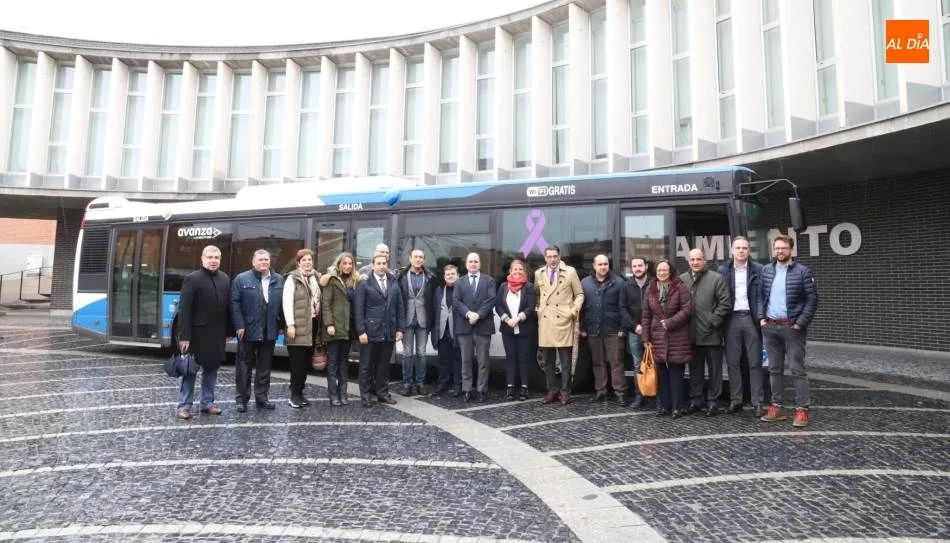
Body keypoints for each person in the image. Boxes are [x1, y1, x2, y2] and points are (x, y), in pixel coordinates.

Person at [757, 234, 819, 428]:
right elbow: (760, 296)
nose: (779, 252)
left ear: (791, 250)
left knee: (797, 369)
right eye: (776, 248)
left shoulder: (802, 271)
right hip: (770, 327)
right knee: (774, 369)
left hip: (792, 328)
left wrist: (800, 323)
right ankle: (776, 406)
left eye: (783, 248)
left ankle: (802, 410)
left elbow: (812, 300)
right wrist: (761, 319)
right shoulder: (766, 270)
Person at [175, 245, 231, 420]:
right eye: (210, 257)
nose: (213, 260)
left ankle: (208, 403)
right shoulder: (192, 279)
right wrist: (184, 336)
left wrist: (229, 330)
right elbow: (184, 309)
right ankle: (184, 406)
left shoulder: (225, 278)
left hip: (216, 334)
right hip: (196, 335)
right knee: (190, 371)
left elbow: (227, 307)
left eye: (216, 257)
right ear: (202, 259)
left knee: (212, 370)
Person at [230, 249, 284, 412]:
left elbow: (282, 304)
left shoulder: (279, 279)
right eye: (260, 259)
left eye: (266, 259)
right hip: (247, 330)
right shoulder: (241, 279)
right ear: (253, 262)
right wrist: (239, 325)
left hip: (269, 330)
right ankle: (242, 399)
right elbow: (234, 303)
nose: (264, 262)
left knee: (265, 366)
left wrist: (281, 325)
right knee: (244, 366)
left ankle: (262, 398)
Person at [718, 236, 765, 415]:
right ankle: (736, 400)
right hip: (731, 320)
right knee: (732, 363)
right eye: (737, 248)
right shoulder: (723, 270)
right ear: (732, 250)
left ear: (749, 250)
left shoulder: (758, 270)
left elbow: (763, 295)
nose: (741, 251)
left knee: (755, 362)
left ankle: (757, 401)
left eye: (744, 248)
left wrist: (761, 317)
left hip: (751, 319)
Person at [681, 248, 731, 416]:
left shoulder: (716, 278)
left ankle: (713, 401)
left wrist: (712, 321)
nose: (695, 262)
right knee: (695, 371)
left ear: (704, 261)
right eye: (692, 259)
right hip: (691, 335)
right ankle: (696, 400)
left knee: (715, 371)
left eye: (698, 259)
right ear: (688, 261)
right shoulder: (682, 279)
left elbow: (725, 303)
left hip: (712, 334)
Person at [641, 259, 693, 419]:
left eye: (665, 270)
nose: (662, 272)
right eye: (659, 270)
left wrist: (670, 323)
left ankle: (677, 407)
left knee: (676, 372)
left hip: (677, 335)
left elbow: (687, 310)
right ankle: (664, 405)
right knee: (661, 373)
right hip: (656, 335)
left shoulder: (680, 287)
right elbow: (646, 314)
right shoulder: (650, 288)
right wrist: (645, 337)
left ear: (670, 271)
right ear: (655, 272)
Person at [535, 246, 584, 405]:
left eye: (555, 256)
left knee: (565, 361)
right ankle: (552, 390)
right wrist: (539, 309)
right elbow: (537, 293)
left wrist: (573, 311)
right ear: (545, 258)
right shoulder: (539, 273)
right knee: (547, 362)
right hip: (547, 321)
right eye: (549, 257)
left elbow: (580, 294)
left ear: (560, 256)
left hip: (563, 320)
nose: (552, 260)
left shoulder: (570, 272)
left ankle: (565, 392)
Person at [355, 254, 405, 408]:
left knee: (384, 365)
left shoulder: (393, 282)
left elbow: (399, 307)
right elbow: (358, 309)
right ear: (373, 265)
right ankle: (366, 396)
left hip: (388, 331)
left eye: (384, 263)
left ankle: (382, 393)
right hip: (369, 332)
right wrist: (361, 331)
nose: (382, 266)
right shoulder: (364, 283)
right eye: (379, 263)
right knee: (366, 366)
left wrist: (400, 329)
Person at [580, 255, 630, 405]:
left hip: (614, 329)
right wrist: (582, 327)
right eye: (600, 264)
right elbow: (581, 308)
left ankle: (620, 392)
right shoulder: (585, 283)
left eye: (606, 264)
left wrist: (623, 328)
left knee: (616, 363)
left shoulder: (619, 283)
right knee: (598, 362)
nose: (603, 267)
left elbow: (624, 307)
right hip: (593, 329)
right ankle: (601, 391)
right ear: (594, 266)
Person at [454, 252, 497, 402]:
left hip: (483, 325)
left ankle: (481, 390)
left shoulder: (489, 280)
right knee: (466, 360)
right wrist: (468, 314)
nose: (473, 264)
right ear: (466, 264)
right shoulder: (459, 282)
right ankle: (467, 389)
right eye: (470, 261)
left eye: (476, 261)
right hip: (464, 326)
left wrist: (478, 315)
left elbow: (491, 300)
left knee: (483, 361)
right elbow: (456, 301)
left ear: (480, 264)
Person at [320, 251, 361, 406]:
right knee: (333, 363)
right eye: (345, 263)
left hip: (348, 328)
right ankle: (333, 395)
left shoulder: (355, 281)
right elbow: (326, 304)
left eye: (350, 264)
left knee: (344, 363)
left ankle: (343, 394)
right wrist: (329, 324)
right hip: (335, 328)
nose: (347, 266)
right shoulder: (331, 280)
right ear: (339, 264)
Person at [282, 248, 320, 409]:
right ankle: (294, 395)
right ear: (298, 263)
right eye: (304, 260)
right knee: (297, 364)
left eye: (309, 260)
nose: (307, 262)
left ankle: (300, 392)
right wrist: (290, 324)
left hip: (312, 325)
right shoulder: (292, 279)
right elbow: (287, 302)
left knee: (305, 363)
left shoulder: (316, 277)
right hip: (297, 327)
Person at [395, 249, 436, 396]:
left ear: (424, 260)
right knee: (407, 354)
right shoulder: (401, 276)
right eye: (416, 257)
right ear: (410, 258)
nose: (418, 259)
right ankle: (407, 384)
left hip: (423, 320)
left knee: (421, 354)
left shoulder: (430, 277)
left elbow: (432, 301)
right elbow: (398, 301)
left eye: (421, 257)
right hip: (406, 320)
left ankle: (420, 383)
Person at [495, 259, 536, 401]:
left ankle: (524, 388)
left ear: (523, 271)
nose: (517, 271)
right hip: (507, 328)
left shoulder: (529, 287)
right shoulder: (503, 287)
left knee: (524, 358)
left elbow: (531, 306)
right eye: (514, 269)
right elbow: (498, 306)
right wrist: (507, 319)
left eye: (520, 269)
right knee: (510, 358)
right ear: (510, 271)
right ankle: (510, 388)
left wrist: (518, 318)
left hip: (524, 327)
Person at [624, 257, 653, 408]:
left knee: (655, 364)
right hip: (634, 332)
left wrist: (649, 326)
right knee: (637, 366)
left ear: (646, 266)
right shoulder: (626, 285)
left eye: (640, 265)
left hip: (653, 332)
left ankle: (656, 395)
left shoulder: (654, 283)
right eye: (634, 266)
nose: (637, 268)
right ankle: (639, 396)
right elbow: (622, 308)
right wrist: (634, 325)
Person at [430, 264, 462, 397]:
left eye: (453, 273)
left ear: (458, 275)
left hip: (457, 331)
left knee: (457, 360)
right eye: (448, 274)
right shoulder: (438, 291)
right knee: (443, 359)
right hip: (442, 331)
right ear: (444, 277)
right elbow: (434, 311)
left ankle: (457, 386)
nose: (450, 276)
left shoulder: (462, 290)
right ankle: (442, 384)